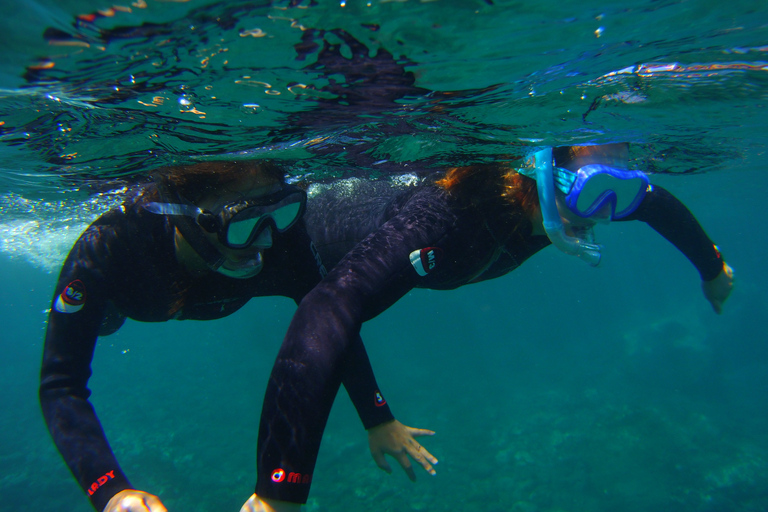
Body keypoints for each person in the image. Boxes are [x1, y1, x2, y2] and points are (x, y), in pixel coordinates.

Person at [246, 143, 734, 511]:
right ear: (541, 171)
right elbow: (328, 306)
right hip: (276, 248)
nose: (605, 215)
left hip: (326, 288)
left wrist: (712, 268)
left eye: (619, 195)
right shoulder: (447, 215)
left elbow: (654, 202)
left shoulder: (558, 206)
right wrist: (277, 490)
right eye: (596, 191)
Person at [39, 160, 438, 512]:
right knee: (104, 324)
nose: (265, 240)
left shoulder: (283, 239)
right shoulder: (109, 246)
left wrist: (377, 417)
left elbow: (331, 319)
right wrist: (110, 492)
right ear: (188, 216)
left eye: (279, 213)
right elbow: (60, 384)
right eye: (244, 221)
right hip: (127, 306)